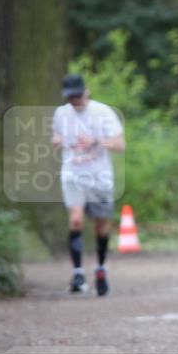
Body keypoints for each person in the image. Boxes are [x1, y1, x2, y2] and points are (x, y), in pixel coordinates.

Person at [51, 73, 126, 297]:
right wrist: (56, 140)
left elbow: (121, 144)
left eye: (77, 96)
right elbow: (57, 136)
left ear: (86, 91)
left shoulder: (103, 112)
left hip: (99, 176)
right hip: (73, 174)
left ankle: (101, 269)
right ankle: (78, 273)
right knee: (75, 219)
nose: (75, 101)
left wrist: (95, 141)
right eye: (70, 97)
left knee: (101, 226)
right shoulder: (61, 113)